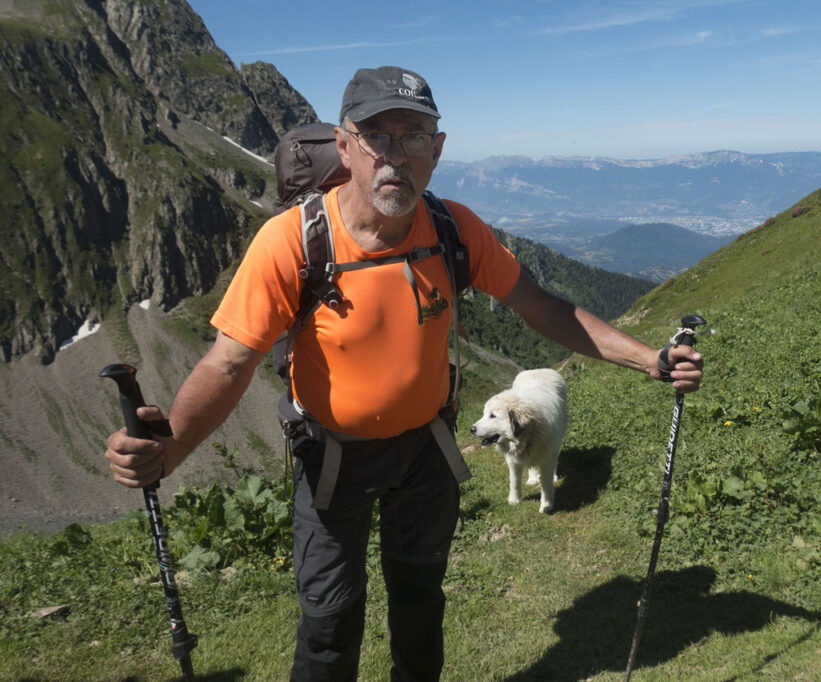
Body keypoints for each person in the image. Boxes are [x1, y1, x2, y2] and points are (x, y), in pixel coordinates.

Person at [104, 65, 703, 681]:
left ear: (436, 150)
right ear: (344, 146)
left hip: (424, 453)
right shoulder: (292, 242)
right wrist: (171, 447)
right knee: (329, 621)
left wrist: (650, 360)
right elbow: (229, 361)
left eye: (413, 136)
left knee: (419, 604)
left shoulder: (453, 230)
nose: (396, 156)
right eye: (376, 137)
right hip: (331, 458)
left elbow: (544, 308)